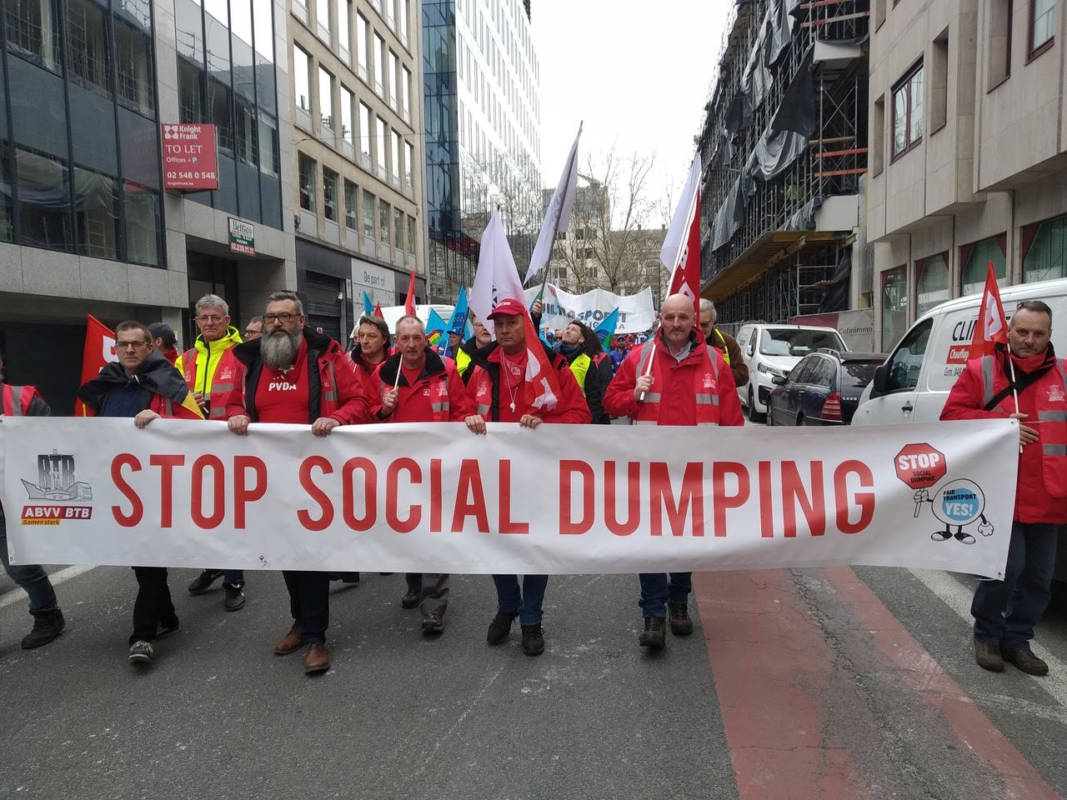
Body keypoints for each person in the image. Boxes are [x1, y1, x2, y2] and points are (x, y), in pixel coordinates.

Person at [221, 290, 372, 675]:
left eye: (285, 317)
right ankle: (300, 621)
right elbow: (233, 403)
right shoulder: (251, 361)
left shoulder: (327, 358)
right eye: (271, 316)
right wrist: (236, 414)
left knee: (312, 556)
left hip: (317, 477)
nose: (276, 323)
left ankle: (316, 637)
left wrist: (336, 419)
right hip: (269, 477)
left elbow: (359, 402)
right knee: (286, 553)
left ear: (300, 321)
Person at [604, 294, 744, 650]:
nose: (677, 325)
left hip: (697, 473)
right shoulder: (639, 359)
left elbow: (732, 421)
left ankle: (678, 601)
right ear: (660, 319)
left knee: (686, 541)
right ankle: (653, 611)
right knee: (649, 542)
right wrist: (633, 394)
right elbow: (609, 402)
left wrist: (734, 465)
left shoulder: (715, 362)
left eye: (684, 318)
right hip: (650, 470)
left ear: (693, 321)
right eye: (670, 318)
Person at [940, 300, 1066, 677]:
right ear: (1008, 330)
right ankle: (988, 635)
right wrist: (998, 423)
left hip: (1049, 496)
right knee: (1005, 571)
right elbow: (950, 418)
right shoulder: (981, 370)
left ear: (1049, 335)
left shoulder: (1063, 374)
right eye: (1022, 332)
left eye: (1038, 334)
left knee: (1039, 580)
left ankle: (1017, 641)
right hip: (1000, 493)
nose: (1029, 340)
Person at [464, 298, 591, 655]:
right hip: (493, 472)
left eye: (510, 323)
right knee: (496, 544)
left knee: (536, 546)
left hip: (538, 473)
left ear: (526, 324)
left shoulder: (552, 364)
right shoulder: (480, 367)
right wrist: (468, 419)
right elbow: (460, 408)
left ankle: (532, 618)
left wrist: (545, 425)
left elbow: (581, 415)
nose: (503, 330)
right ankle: (508, 605)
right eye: (498, 324)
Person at [77, 321, 203, 666]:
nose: (129, 350)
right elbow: (86, 431)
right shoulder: (104, 384)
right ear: (115, 348)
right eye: (123, 344)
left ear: (150, 347)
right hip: (119, 489)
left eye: (136, 344)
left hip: (159, 488)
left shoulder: (168, 381)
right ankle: (168, 616)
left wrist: (161, 421)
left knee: (148, 563)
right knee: (141, 562)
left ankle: (142, 636)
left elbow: (197, 428)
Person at [374, 315, 475, 635]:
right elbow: (364, 418)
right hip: (398, 468)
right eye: (405, 339)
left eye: (417, 338)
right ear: (396, 341)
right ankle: (414, 583)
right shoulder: (384, 373)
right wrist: (383, 409)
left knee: (433, 534)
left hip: (436, 467)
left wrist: (468, 420)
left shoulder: (444, 369)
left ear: (425, 340)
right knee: (406, 530)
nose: (412, 344)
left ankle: (433, 607)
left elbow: (461, 407)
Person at [179, 294, 248, 610]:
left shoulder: (242, 355)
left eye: (215, 318)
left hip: (233, 446)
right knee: (203, 514)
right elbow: (173, 400)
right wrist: (189, 400)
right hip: (196, 448)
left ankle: (234, 580)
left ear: (226, 321)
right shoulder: (186, 358)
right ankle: (213, 564)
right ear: (196, 322)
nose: (209, 323)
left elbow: (251, 397)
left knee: (230, 515)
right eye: (203, 318)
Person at [0, 354, 66, 649]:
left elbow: (51, 443)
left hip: (9, 503)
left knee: (21, 567)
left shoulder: (21, 398)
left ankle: (47, 613)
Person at [558, 320, 614, 424]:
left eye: (573, 330)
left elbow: (594, 397)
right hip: (557, 417)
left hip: (579, 418)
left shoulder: (588, 362)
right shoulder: (553, 357)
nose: (568, 331)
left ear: (581, 339)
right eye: (567, 328)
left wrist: (591, 422)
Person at [699, 298, 748, 388]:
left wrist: (715, 371)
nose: (699, 329)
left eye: (704, 325)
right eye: (695, 324)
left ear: (713, 322)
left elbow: (743, 376)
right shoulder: (682, 344)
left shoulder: (728, 342)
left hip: (721, 400)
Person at [351, 315, 391, 379]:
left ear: (384, 339)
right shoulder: (349, 365)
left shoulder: (397, 365)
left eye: (371, 336)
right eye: (361, 335)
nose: (364, 341)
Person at [456, 315, 493, 381]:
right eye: (480, 325)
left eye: (488, 325)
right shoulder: (461, 352)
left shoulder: (504, 351)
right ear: (474, 327)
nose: (485, 328)